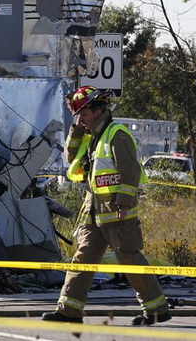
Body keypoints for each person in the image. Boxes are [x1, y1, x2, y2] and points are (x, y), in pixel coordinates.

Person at [41, 86, 171, 326]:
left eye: (83, 114)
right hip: (93, 210)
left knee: (129, 259)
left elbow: (129, 171)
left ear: (99, 111)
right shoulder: (92, 137)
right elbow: (70, 158)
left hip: (116, 210)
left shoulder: (116, 134)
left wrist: (123, 203)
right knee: (82, 260)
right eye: (77, 115)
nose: (80, 119)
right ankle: (69, 311)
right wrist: (76, 130)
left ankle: (156, 309)